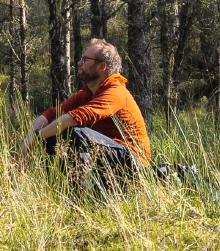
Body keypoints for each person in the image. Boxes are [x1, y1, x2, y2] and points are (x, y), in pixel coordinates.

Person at [20, 39, 151, 180]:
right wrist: (27, 142)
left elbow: (73, 119)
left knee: (73, 132)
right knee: (52, 135)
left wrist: (37, 137)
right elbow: (51, 114)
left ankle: (80, 188)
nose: (79, 63)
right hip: (108, 154)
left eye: (85, 60)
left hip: (133, 162)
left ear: (102, 67)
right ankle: (56, 184)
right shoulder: (88, 92)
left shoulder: (115, 91)